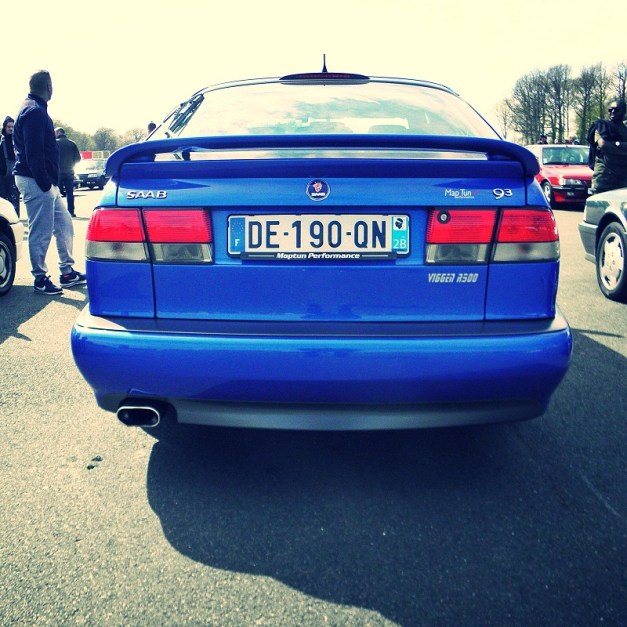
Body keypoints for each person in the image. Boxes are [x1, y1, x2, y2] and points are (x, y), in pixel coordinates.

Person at [13, 69, 86, 295]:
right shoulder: (34, 112)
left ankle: (67, 272)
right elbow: (33, 152)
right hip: (35, 180)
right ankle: (40, 278)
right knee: (41, 231)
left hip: (42, 181)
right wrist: (45, 183)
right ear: (48, 87)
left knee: (64, 225)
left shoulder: (35, 109)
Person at [587, 100, 627, 194]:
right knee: (599, 200)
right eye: (610, 110)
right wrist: (624, 152)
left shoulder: (625, 129)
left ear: (624, 112)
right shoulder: (602, 125)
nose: (612, 112)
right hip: (605, 173)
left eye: (616, 110)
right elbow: (603, 145)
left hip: (623, 174)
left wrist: (615, 144)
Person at [55, 127, 81, 217]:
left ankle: (58, 212)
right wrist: (71, 163)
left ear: (58, 132)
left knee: (56, 193)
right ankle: (71, 212)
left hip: (57, 172)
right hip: (70, 172)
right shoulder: (72, 143)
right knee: (70, 193)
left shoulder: (55, 143)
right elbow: (78, 158)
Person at [0, 116, 20, 216]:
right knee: (2, 202)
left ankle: (15, 220)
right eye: (8, 127)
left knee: (14, 201)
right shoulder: (1, 140)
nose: (11, 129)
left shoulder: (17, 140)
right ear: (4, 127)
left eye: (12, 127)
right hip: (1, 175)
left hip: (14, 175)